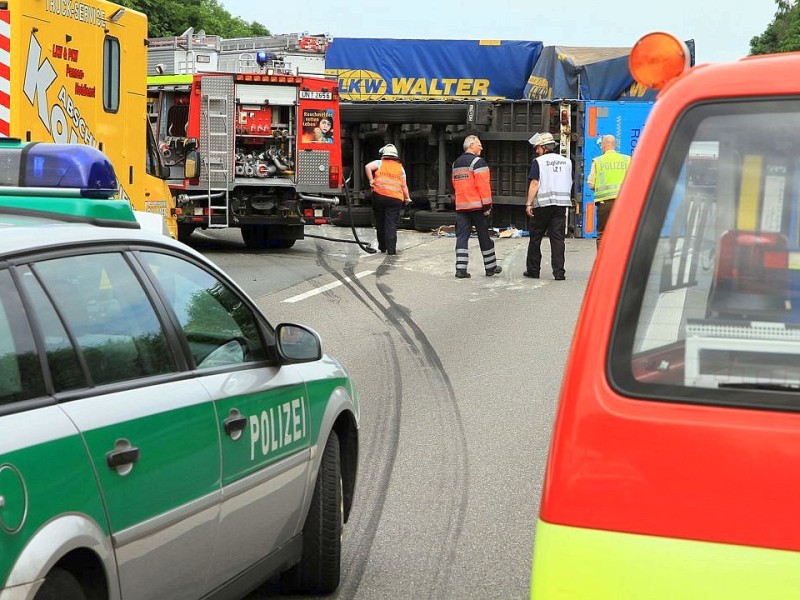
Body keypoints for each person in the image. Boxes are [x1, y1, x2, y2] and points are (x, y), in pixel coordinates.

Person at [524, 132, 573, 280]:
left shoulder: (539, 162)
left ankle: (533, 270)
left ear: (544, 147)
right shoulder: (567, 161)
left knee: (536, 237)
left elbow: (534, 183)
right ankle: (559, 273)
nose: (536, 151)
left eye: (537, 148)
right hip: (560, 205)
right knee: (558, 238)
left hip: (543, 204)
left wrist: (528, 203)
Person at [451, 135, 501, 279]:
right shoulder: (478, 162)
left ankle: (460, 269)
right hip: (477, 207)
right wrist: (487, 207)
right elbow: (483, 187)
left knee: (462, 237)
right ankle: (490, 267)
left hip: (461, 207)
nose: (481, 147)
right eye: (479, 145)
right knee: (484, 236)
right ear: (471, 145)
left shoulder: (456, 164)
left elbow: (454, 184)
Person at [364, 144, 411, 255]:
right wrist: (407, 198)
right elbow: (404, 186)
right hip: (395, 199)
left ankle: (382, 247)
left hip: (379, 196)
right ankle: (391, 250)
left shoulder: (379, 163)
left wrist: (371, 181)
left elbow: (367, 167)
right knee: (391, 224)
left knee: (380, 222)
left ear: (384, 155)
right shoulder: (400, 168)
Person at [587, 134, 631, 249]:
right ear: (614, 145)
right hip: (624, 202)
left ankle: (603, 264)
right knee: (622, 234)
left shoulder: (598, 161)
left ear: (604, 145)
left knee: (602, 234)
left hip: (605, 203)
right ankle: (621, 263)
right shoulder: (627, 159)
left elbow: (591, 185)